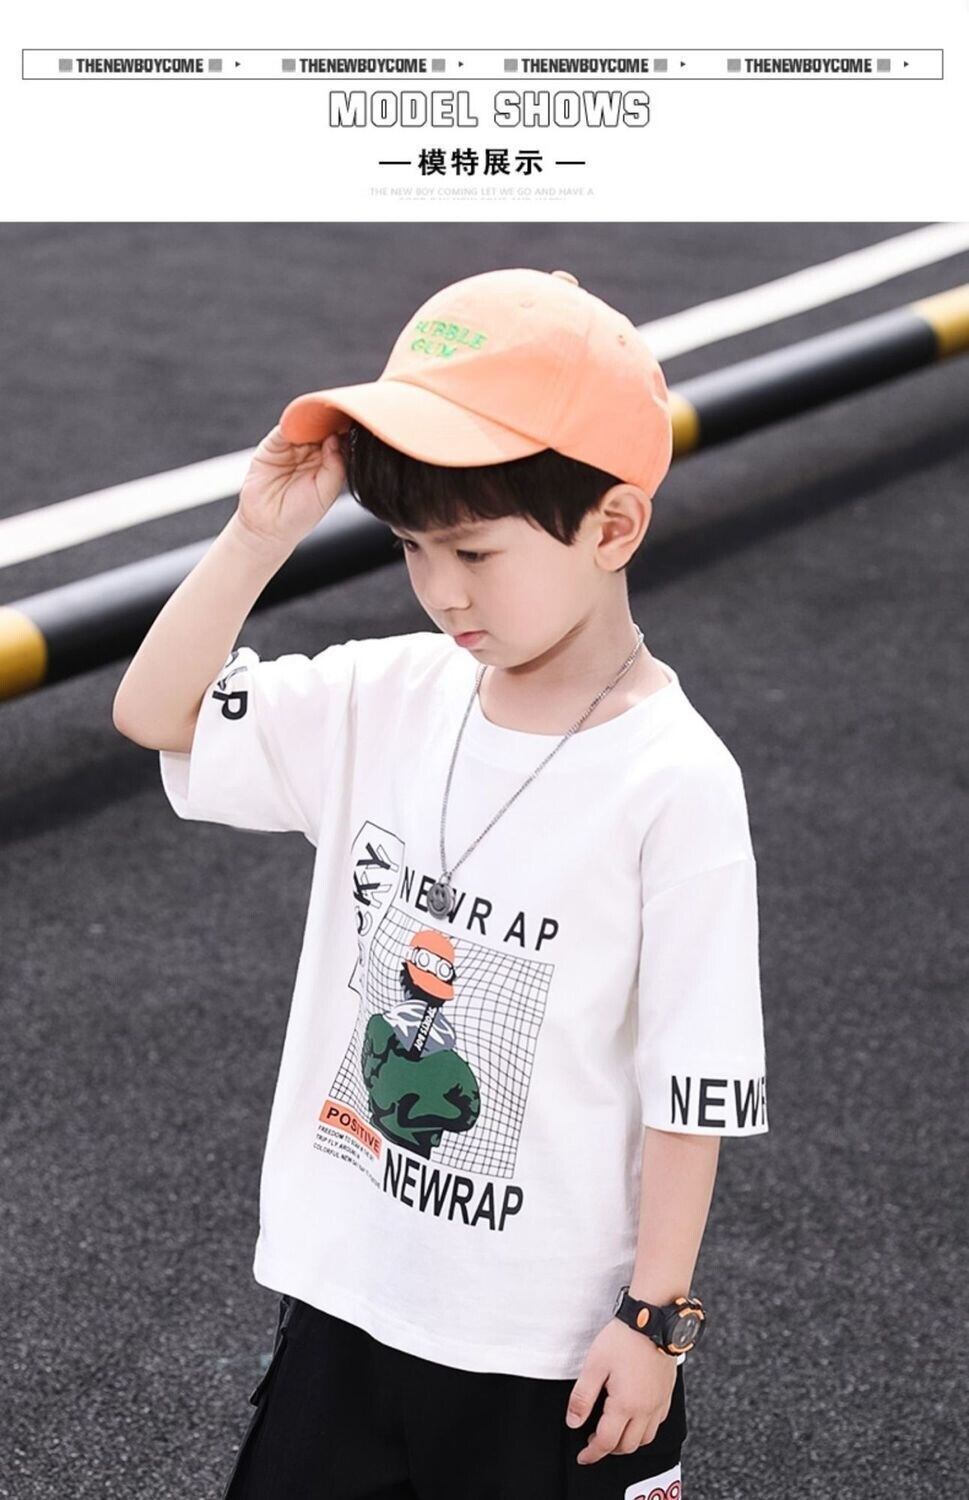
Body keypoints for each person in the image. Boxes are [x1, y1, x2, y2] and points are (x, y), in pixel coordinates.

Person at [112, 267, 769, 1500]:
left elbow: (691, 1079)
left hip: (547, 1357)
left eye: (474, 549)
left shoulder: (674, 778)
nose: (441, 590)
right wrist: (259, 535)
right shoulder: (389, 695)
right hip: (348, 1308)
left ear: (613, 528)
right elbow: (155, 713)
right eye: (413, 547)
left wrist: (656, 1320)